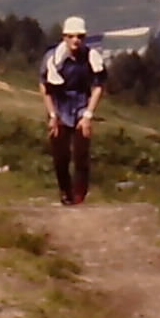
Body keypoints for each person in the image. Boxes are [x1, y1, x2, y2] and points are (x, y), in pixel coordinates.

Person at [40, 16, 107, 205]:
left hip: (81, 104)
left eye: (79, 36)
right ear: (64, 37)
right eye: (71, 36)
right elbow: (45, 88)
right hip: (60, 105)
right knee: (60, 154)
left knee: (81, 153)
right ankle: (65, 191)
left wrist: (88, 115)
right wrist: (52, 115)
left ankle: (79, 194)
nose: (75, 40)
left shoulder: (91, 57)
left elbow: (98, 86)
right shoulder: (53, 59)